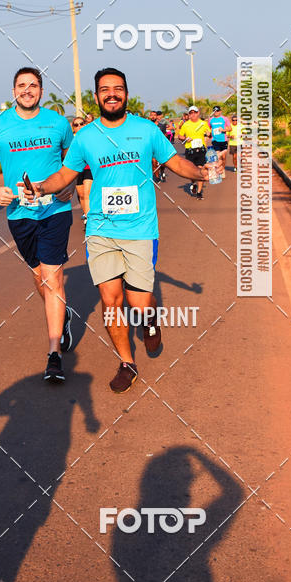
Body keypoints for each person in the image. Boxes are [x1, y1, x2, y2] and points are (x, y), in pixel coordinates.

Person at [25, 68, 208, 394]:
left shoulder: (146, 130)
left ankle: (150, 320)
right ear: (97, 96)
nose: (112, 93)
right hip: (100, 230)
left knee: (140, 305)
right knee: (111, 302)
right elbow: (65, 175)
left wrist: (201, 174)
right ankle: (127, 362)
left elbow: (173, 162)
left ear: (126, 93)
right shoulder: (85, 137)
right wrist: (39, 187)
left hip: (140, 230)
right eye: (105, 89)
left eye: (118, 88)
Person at [0, 67, 75, 382]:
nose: (28, 90)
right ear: (13, 90)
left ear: (41, 91)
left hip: (55, 210)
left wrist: (68, 185)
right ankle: (64, 316)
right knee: (40, 278)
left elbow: (72, 157)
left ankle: (54, 355)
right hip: (19, 214)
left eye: (34, 85)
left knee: (53, 279)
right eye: (22, 85)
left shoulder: (58, 122)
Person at [178, 106, 211, 199]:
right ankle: (193, 183)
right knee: (192, 171)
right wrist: (185, 138)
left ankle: (199, 192)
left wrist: (209, 134)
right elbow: (180, 136)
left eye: (195, 112)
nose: (193, 114)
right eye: (191, 113)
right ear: (189, 115)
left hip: (201, 150)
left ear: (198, 113)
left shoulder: (203, 123)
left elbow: (209, 133)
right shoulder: (186, 124)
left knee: (201, 170)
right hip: (190, 150)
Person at [71, 115, 92, 226]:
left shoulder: (90, 136)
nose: (79, 126)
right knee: (81, 195)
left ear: (85, 125)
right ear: (73, 127)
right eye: (76, 125)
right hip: (77, 170)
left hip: (89, 168)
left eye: (81, 124)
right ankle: (86, 213)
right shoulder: (71, 139)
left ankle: (89, 218)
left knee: (87, 193)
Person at [207, 105, 230, 179]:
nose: (216, 112)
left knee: (223, 157)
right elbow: (208, 129)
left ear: (220, 111)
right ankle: (220, 171)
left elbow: (230, 128)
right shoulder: (210, 120)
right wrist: (208, 134)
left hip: (223, 140)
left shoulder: (225, 119)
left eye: (217, 111)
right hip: (215, 140)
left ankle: (222, 169)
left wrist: (223, 130)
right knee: (218, 156)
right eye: (214, 111)